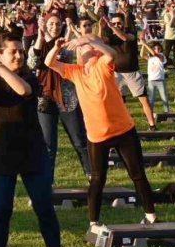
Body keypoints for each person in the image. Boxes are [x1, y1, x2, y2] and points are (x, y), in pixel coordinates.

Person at [0, 34, 66, 247]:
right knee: (1, 210)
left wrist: (0, 66)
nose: (18, 55)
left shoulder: (28, 76)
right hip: (0, 152)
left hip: (32, 150)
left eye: (20, 52)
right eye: (12, 52)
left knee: (43, 205)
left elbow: (23, 90)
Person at [44, 34, 158, 231]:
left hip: (123, 130)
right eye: (78, 49)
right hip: (97, 136)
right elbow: (49, 63)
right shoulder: (74, 71)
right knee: (97, 178)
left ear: (95, 50)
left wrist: (90, 41)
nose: (79, 50)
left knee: (137, 174)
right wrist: (56, 47)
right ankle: (94, 222)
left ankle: (151, 216)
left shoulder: (102, 64)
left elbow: (112, 54)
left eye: (84, 48)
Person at [27, 14, 91, 182]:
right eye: (51, 24)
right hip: (45, 100)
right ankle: (47, 183)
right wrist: (40, 37)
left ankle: (93, 177)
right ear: (46, 26)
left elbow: (64, 58)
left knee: (80, 141)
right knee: (48, 147)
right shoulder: (36, 44)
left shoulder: (66, 45)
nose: (54, 26)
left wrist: (63, 38)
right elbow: (32, 63)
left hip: (67, 99)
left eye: (57, 24)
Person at [100, 13, 157, 131]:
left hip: (132, 72)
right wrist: (101, 27)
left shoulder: (130, 32)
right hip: (117, 73)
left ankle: (152, 125)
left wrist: (112, 27)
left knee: (144, 100)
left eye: (118, 23)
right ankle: (122, 125)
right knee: (120, 102)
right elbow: (100, 41)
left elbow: (124, 38)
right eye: (114, 23)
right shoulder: (111, 36)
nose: (116, 25)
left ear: (123, 23)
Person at [143, 43, 169, 114]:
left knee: (164, 97)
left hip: (160, 80)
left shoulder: (162, 56)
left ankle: (167, 112)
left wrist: (145, 44)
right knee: (151, 98)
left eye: (158, 48)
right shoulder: (150, 57)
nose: (157, 50)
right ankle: (150, 113)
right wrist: (143, 45)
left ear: (161, 50)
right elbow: (142, 55)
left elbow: (154, 54)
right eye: (155, 48)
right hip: (151, 80)